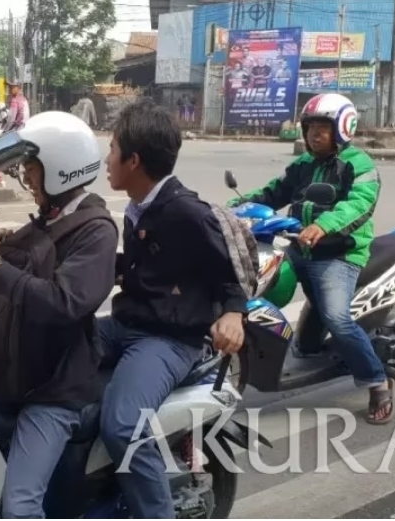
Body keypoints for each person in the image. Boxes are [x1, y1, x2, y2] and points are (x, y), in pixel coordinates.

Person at [0, 111, 119, 518]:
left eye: (32, 167)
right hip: (12, 373)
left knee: (20, 506)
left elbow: (65, 300)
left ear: (62, 170)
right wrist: (5, 244)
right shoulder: (52, 217)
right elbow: (37, 262)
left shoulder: (97, 230)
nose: (26, 177)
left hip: (54, 386)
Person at [98, 98, 248, 518]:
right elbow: (142, 266)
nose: (106, 159)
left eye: (112, 149)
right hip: (125, 323)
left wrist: (234, 313)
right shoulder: (140, 206)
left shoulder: (187, 212)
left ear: (133, 160)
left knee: (123, 425)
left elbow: (231, 270)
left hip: (168, 338)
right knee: (48, 353)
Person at [226, 92, 393, 424]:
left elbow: (359, 203)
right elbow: (274, 192)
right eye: (311, 128)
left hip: (339, 254)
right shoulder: (303, 165)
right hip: (299, 247)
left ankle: (377, 382)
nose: (315, 135)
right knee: (257, 284)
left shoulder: (358, 164)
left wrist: (323, 225)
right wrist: (231, 211)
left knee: (337, 317)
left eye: (323, 128)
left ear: (343, 129)